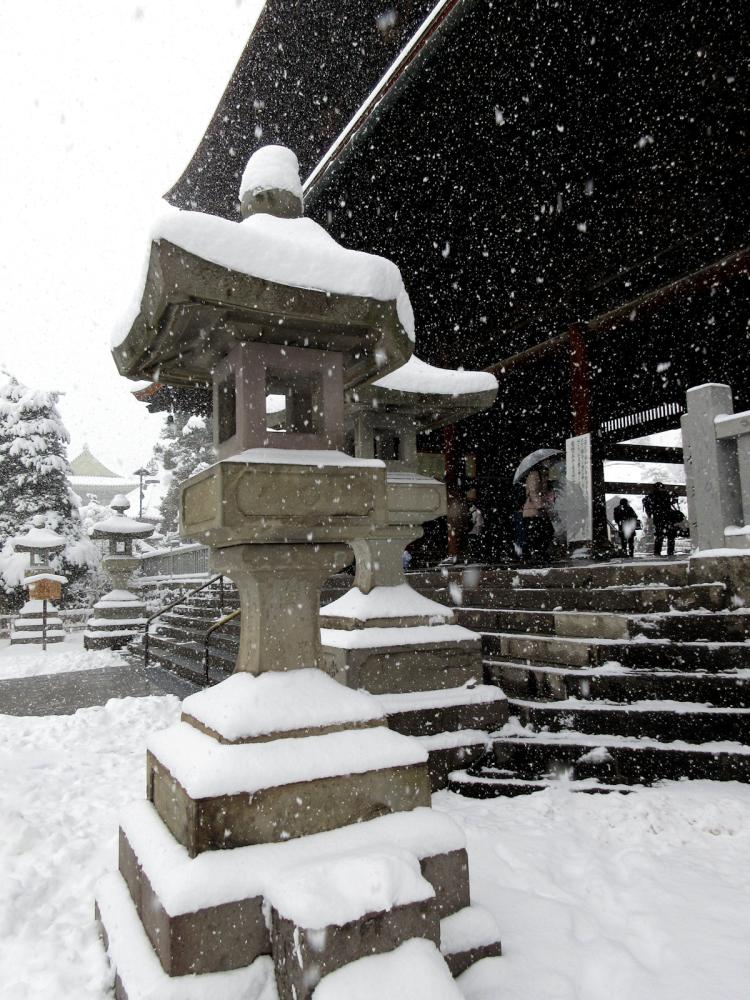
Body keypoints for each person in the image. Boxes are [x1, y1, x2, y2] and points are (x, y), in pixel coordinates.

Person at [522, 462, 554, 563]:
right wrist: (540, 507)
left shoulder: (543, 474)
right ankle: (536, 554)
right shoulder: (534, 475)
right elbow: (533, 492)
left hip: (541, 510)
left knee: (546, 532)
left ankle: (540, 554)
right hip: (532, 510)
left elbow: (543, 492)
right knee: (537, 533)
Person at [643, 482, 681, 557]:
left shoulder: (651, 496)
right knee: (671, 536)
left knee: (659, 535)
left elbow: (649, 510)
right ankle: (670, 552)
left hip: (658, 518)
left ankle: (657, 552)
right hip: (668, 517)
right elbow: (675, 496)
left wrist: (650, 516)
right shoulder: (666, 494)